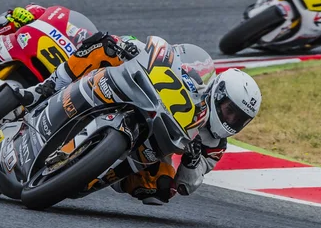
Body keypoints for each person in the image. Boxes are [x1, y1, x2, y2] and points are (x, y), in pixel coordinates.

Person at [14, 34, 263, 206]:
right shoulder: (198, 78)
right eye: (229, 109)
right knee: (105, 47)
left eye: (238, 118)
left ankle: (96, 173)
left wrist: (193, 159)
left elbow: (189, 184)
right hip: (142, 93)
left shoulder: (216, 144)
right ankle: (45, 88)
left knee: (162, 189)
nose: (230, 119)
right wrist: (129, 46)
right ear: (217, 93)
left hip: (155, 143)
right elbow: (165, 56)